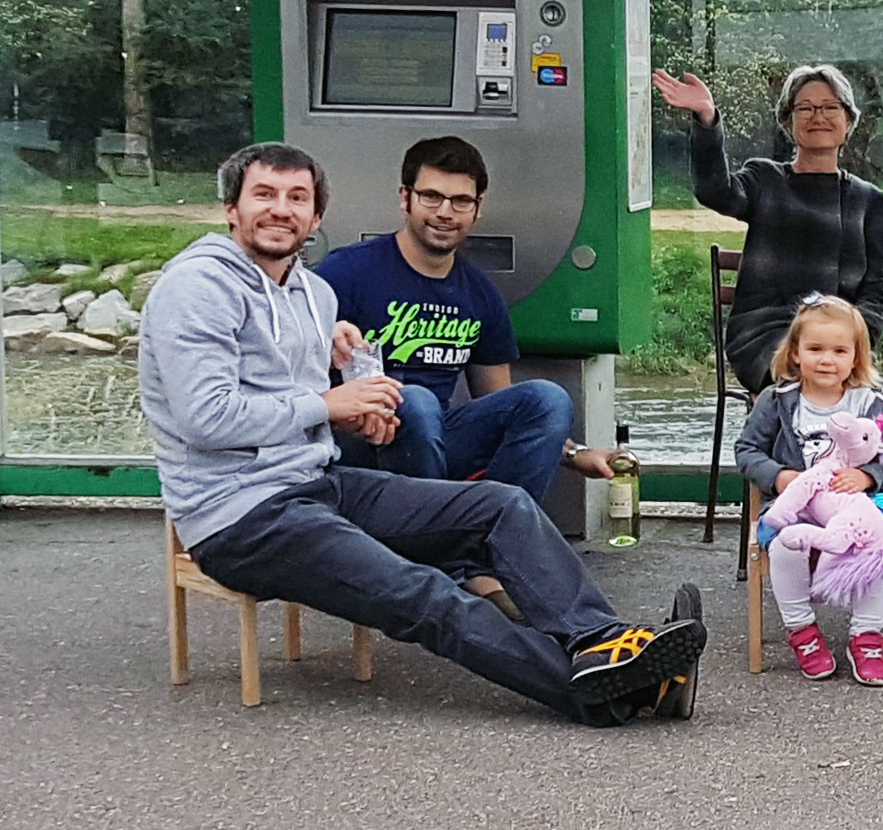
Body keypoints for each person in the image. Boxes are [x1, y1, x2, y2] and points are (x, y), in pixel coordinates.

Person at [142, 142, 706, 725]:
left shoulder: (311, 294)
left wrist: (358, 413)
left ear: (316, 217)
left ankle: (607, 643)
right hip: (242, 518)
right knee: (425, 594)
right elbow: (205, 419)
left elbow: (313, 406)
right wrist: (327, 404)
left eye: (297, 198)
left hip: (318, 482)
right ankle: (616, 693)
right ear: (231, 208)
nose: (280, 209)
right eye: (264, 195)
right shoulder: (197, 289)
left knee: (503, 506)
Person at [319, 138, 618, 617]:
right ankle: (455, 566)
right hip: (357, 448)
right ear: (405, 198)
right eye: (431, 197)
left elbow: (500, 406)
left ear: (477, 210)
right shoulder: (345, 274)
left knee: (546, 398)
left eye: (460, 201)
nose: (445, 212)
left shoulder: (478, 293)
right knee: (413, 400)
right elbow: (288, 370)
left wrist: (576, 453)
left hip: (432, 444)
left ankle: (482, 558)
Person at [653, 63, 883, 395]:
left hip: (838, 340)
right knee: (811, 378)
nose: (818, 117)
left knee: (852, 390)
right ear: (788, 120)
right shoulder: (765, 178)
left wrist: (853, 338)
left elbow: (880, 290)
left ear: (849, 120)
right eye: (805, 108)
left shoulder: (868, 200)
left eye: (829, 107)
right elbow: (715, 191)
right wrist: (707, 119)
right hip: (764, 335)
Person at [736, 295, 883, 686]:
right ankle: (802, 631)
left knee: (877, 547)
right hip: (796, 506)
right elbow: (746, 450)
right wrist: (778, 476)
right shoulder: (778, 401)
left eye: (839, 351)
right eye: (815, 349)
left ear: (856, 357)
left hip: (852, 507)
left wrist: (867, 476)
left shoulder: (873, 404)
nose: (827, 360)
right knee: (784, 547)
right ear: (795, 353)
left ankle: (866, 635)